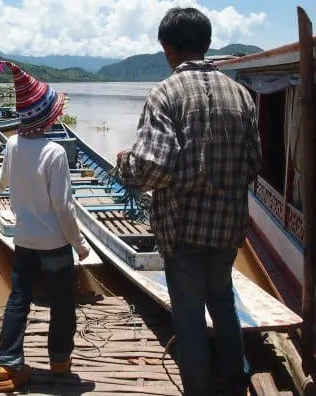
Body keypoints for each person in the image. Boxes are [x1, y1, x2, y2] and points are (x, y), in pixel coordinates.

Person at [116, 7, 262, 395]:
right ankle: (235, 381)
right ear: (207, 44)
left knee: (190, 318)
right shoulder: (243, 97)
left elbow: (152, 168)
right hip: (228, 229)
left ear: (167, 49)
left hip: (182, 231)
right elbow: (253, 165)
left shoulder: (164, 94)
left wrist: (125, 167)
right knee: (223, 302)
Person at [0, 59, 90, 393]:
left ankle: (9, 367)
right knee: (62, 303)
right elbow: (63, 206)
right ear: (46, 116)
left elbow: (0, 182)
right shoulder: (56, 153)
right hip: (55, 245)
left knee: (19, 300)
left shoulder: (13, 145)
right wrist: (80, 245)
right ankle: (60, 361)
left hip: (25, 241)